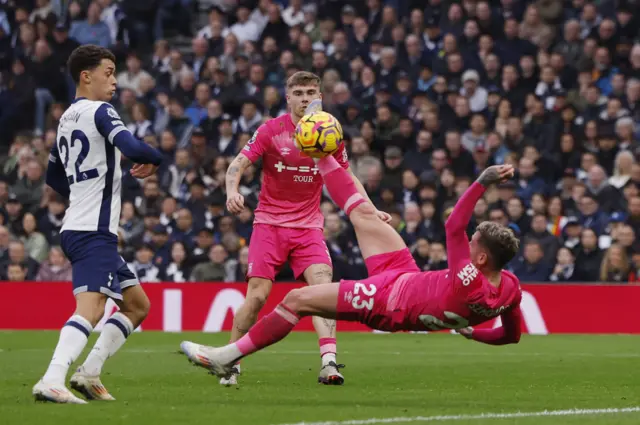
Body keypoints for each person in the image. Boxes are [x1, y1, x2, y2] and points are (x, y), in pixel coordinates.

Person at [180, 162, 523, 380]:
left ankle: (227, 356)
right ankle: (324, 154)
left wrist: (481, 181)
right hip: (407, 276)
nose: (469, 239)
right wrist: (472, 333)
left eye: (473, 241)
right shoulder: (509, 289)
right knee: (364, 214)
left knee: (298, 299)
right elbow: (511, 336)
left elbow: (453, 225)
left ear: (480, 259)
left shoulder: (469, 280)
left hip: (388, 301)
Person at [210, 71, 390, 386]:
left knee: (321, 288)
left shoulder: (329, 132)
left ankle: (329, 363)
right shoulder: (271, 131)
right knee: (257, 297)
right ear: (288, 96)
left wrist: (371, 208)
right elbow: (237, 163)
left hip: (309, 228)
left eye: (310, 92)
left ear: (318, 96)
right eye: (299, 93)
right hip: (269, 224)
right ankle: (230, 360)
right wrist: (231, 192)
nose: (305, 98)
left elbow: (347, 177)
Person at [33, 45, 164, 404]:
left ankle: (89, 373)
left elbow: (54, 178)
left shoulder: (65, 118)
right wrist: (156, 157)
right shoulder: (101, 110)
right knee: (90, 309)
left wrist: (90, 189)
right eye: (108, 72)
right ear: (85, 76)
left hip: (77, 225)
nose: (115, 81)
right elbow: (132, 147)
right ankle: (53, 377)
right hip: (93, 231)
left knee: (137, 305)